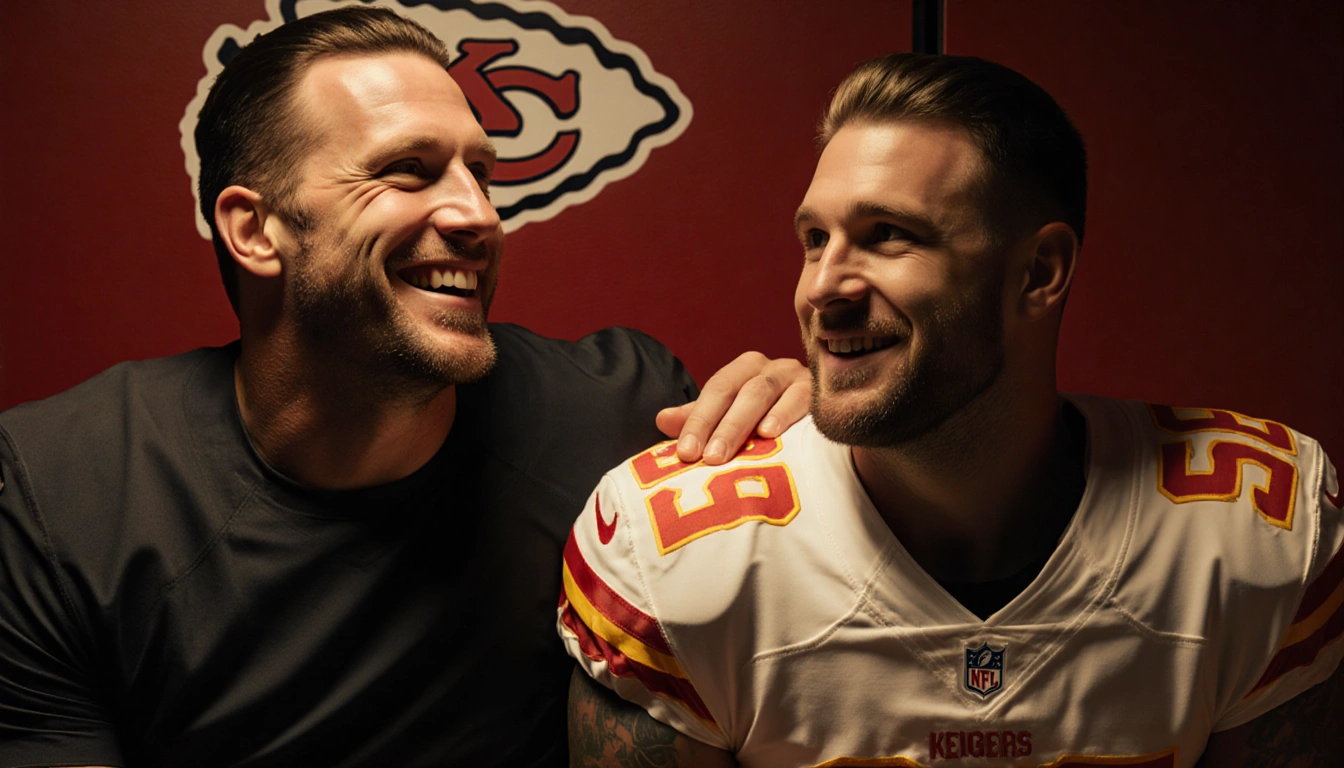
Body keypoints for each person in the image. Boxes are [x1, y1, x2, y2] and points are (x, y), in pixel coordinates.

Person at [0, 8, 811, 768]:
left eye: (481, 174)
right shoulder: (62, 492)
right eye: (407, 171)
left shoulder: (626, 418)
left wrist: (828, 452)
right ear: (255, 230)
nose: (479, 216)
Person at [559, 52, 1344, 767]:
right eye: (814, 238)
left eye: (887, 235)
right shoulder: (671, 552)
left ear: (1038, 272)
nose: (822, 286)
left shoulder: (1256, 531)